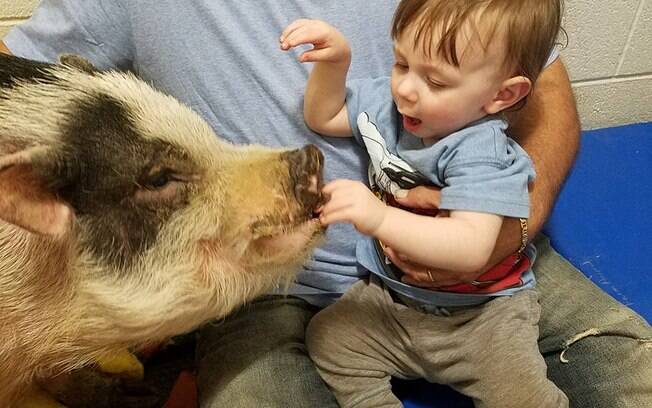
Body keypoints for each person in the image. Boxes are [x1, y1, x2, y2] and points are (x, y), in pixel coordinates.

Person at [1, 1, 650, 407]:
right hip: (269, 279)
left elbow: (547, 92)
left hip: (480, 243)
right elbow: (17, 72)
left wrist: (506, 229)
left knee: (631, 365)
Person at [280, 0, 567, 406]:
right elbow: (325, 117)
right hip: (390, 300)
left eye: (436, 82)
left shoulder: (482, 151)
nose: (405, 88)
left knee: (523, 398)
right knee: (329, 339)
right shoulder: (391, 104)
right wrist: (335, 65)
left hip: (479, 319)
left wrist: (377, 216)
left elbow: (470, 248)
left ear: (502, 95)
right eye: (401, 63)